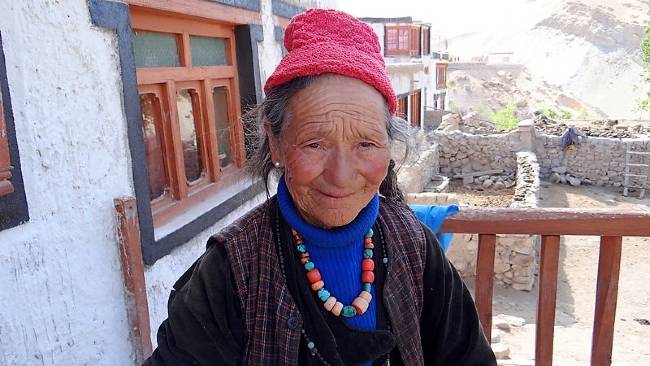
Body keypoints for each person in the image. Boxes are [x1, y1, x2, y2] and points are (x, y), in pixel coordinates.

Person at [143, 9, 496, 366]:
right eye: (315, 144)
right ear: (276, 142)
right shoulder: (231, 270)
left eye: (366, 144)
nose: (341, 176)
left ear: (388, 147)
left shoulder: (416, 249)